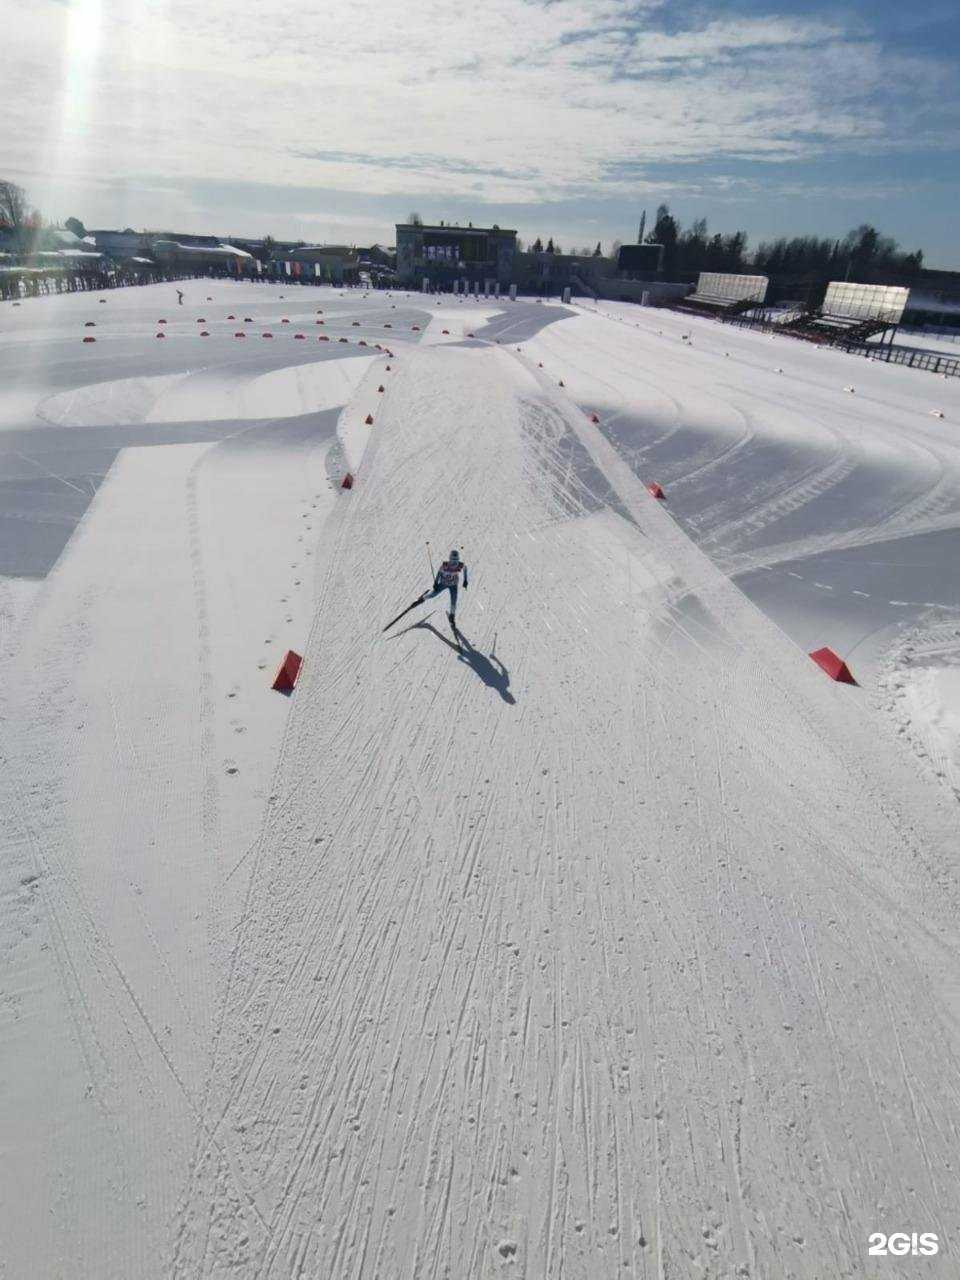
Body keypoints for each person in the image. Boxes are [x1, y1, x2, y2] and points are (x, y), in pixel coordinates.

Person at [425, 549, 468, 629]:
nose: (454, 563)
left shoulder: (459, 565)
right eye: (452, 560)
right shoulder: (445, 566)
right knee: (433, 594)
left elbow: (465, 568)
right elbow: (439, 573)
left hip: (453, 586)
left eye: (456, 560)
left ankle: (452, 616)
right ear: (449, 559)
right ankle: (422, 598)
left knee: (454, 601)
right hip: (443, 584)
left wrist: (465, 580)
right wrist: (436, 582)